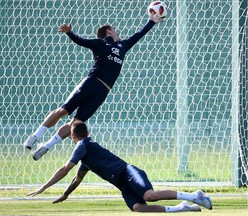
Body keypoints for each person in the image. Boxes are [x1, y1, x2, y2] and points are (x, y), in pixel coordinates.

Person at [23, 14, 165, 161]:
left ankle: (46, 146)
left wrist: (151, 22)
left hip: (103, 91)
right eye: (115, 30)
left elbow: (138, 35)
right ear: (109, 31)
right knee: (63, 111)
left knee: (76, 123)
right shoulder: (100, 43)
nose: (118, 32)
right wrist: (69, 33)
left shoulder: (123, 46)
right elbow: (82, 41)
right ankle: (34, 136)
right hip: (91, 82)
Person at [28, 121, 213, 213]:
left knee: (150, 196)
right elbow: (77, 178)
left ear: (73, 137)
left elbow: (64, 169)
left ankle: (195, 196)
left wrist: (43, 187)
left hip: (129, 172)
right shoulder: (85, 156)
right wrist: (66, 194)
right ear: (88, 132)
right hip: (122, 184)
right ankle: (181, 207)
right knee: (138, 208)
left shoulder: (82, 146)